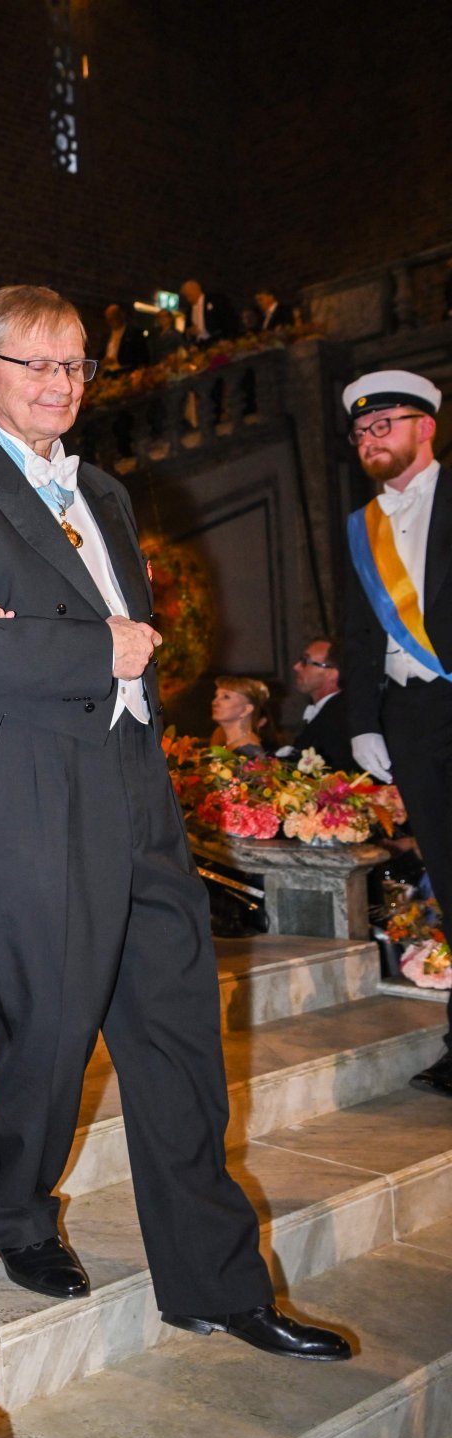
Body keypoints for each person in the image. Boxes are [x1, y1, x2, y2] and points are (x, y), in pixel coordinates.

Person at [0, 283, 350, 1362]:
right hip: (29, 784)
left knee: (177, 1026)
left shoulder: (102, 488)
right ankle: (12, 1212)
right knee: (48, 1027)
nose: (59, 385)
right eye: (36, 365)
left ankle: (214, 1280)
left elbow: (64, 632)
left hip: (132, 774)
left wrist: (86, 646)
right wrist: (95, 644)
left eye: (73, 367)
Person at [342, 369, 451, 1098]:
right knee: (446, 875)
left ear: (425, 426)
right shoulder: (363, 525)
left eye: (384, 425)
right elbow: (356, 632)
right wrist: (362, 719)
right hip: (411, 717)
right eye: (360, 432)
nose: (370, 441)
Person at [276, 637, 355, 772]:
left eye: (305, 661)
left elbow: (336, 771)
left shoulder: (340, 716)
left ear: (332, 673)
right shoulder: (331, 710)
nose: (296, 667)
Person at [211, 674, 271, 756]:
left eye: (226, 697)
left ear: (246, 710)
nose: (214, 702)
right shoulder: (231, 744)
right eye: (216, 696)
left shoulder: (248, 752)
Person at [180, 279, 240, 344]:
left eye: (190, 295)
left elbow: (230, 318)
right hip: (200, 346)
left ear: (197, 289)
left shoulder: (216, 300)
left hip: (219, 342)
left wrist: (229, 338)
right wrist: (189, 332)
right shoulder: (189, 311)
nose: (189, 299)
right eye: (186, 296)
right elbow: (185, 333)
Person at [100, 304, 150, 374]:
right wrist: (103, 361)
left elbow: (142, 357)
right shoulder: (106, 336)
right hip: (107, 372)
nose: (112, 321)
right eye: (109, 319)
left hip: (125, 372)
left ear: (121, 315)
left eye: (115, 317)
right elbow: (100, 355)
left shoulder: (134, 333)